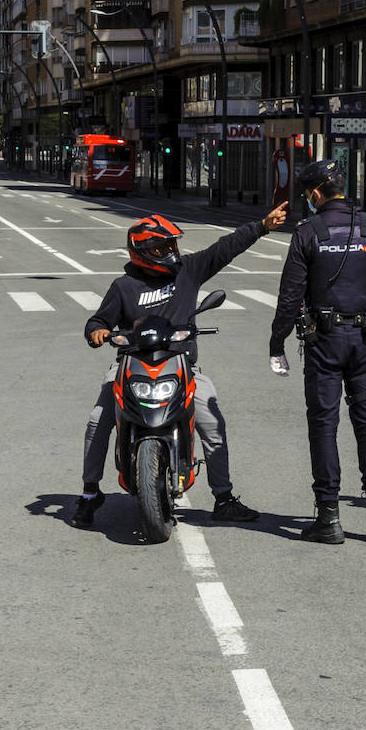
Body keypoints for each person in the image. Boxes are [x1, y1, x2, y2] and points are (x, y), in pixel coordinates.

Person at [72, 205, 289, 529]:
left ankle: (224, 497)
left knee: (212, 422)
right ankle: (89, 493)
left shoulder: (188, 270)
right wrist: (97, 332)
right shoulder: (124, 286)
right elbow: (98, 320)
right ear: (142, 252)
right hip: (131, 366)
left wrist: (262, 226)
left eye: (171, 245)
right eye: (161, 248)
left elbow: (224, 249)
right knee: (97, 420)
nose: (170, 252)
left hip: (182, 365)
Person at [269, 160, 366, 544]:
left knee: (324, 426)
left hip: (323, 343)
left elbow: (290, 296)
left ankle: (328, 518)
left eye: (306, 195)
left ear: (315, 194)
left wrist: (277, 343)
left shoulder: (308, 232)